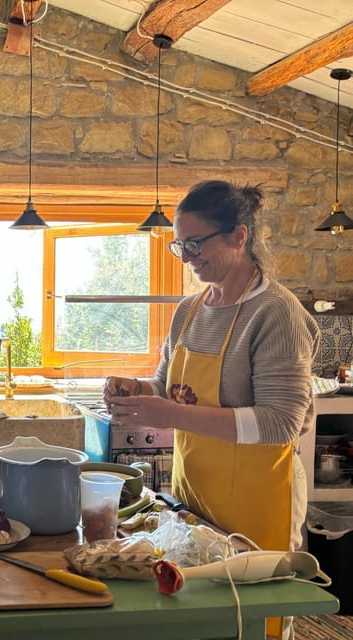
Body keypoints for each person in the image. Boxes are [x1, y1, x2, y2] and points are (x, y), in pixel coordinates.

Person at [103, 181, 318, 640]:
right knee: (197, 616)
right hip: (197, 493)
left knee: (252, 620)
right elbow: (170, 387)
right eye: (181, 244)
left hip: (260, 500)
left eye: (196, 243)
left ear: (239, 236)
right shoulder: (190, 310)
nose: (187, 256)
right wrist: (134, 390)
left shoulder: (277, 314)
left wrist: (170, 415)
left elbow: (281, 423)